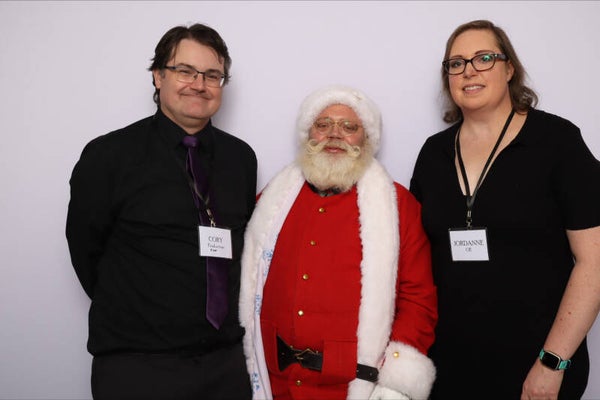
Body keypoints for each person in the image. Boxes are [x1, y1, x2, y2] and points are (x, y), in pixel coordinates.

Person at [410, 19, 600, 399]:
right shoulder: (433, 153)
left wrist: (552, 363)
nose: (469, 71)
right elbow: (416, 262)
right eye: (456, 63)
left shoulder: (557, 142)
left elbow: (593, 262)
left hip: (536, 369)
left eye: (484, 58)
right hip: (448, 370)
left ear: (509, 68)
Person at [66, 23, 256, 399]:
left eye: (212, 75)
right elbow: (86, 251)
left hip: (225, 365)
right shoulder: (108, 156)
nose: (199, 84)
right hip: (137, 365)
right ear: (158, 76)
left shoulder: (240, 158)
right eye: (185, 71)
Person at [239, 85, 438, 400]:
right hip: (274, 383)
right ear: (308, 135)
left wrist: (396, 383)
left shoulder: (398, 205)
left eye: (349, 127)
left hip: (354, 387)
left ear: (366, 140)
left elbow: (417, 299)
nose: (334, 134)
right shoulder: (272, 201)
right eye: (323, 124)